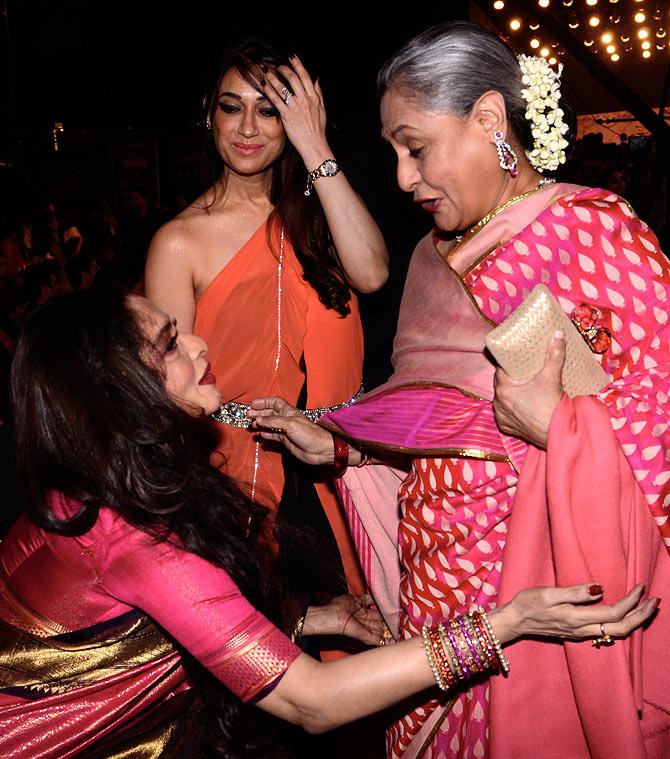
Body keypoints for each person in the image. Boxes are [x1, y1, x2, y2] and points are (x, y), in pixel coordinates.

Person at [248, 21, 670, 758]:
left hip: (537, 591)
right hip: (437, 594)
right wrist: (349, 451)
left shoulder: (598, 237)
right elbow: (437, 428)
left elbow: (659, 426)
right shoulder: (429, 258)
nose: (405, 177)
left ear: (488, 120)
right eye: (393, 154)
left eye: (416, 147)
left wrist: (560, 427)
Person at [0, 288, 653, 757]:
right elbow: (312, 701)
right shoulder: (138, 539)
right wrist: (508, 622)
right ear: (118, 391)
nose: (198, 343)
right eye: (170, 344)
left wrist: (318, 618)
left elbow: (148, 619)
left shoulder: (89, 481)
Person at [145, 38, 388, 600]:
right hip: (239, 472)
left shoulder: (321, 214)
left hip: (341, 463)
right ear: (209, 115)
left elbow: (372, 274)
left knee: (368, 637)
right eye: (232, 107)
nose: (248, 127)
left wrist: (316, 146)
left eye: (270, 110)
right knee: (280, 648)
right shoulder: (179, 242)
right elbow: (169, 396)